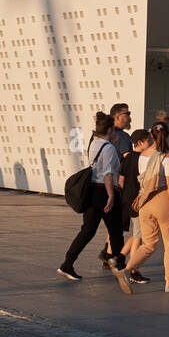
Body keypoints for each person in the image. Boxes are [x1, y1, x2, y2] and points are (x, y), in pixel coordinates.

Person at [59, 112, 126, 283]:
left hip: (92, 191)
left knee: (87, 231)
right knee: (116, 231)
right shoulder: (109, 147)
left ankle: (68, 263)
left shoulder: (94, 143)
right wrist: (111, 196)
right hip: (104, 191)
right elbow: (109, 174)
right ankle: (119, 265)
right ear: (111, 129)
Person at [122, 123, 169, 293]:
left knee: (148, 244)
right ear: (167, 136)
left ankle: (127, 269)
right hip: (162, 200)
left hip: (144, 203)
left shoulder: (142, 155)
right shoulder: (167, 156)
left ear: (150, 136)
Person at [98, 103, 134, 271]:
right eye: (127, 114)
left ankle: (107, 252)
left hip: (105, 184)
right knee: (119, 225)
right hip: (121, 186)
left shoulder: (104, 136)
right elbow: (128, 161)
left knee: (113, 223)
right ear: (118, 117)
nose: (129, 117)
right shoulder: (124, 138)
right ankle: (113, 257)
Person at [118, 129, 154, 278]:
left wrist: (126, 193)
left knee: (137, 233)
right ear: (140, 143)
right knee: (140, 236)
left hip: (126, 199)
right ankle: (133, 270)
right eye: (148, 141)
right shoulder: (142, 159)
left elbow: (121, 179)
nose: (150, 143)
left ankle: (119, 257)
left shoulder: (127, 157)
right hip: (137, 201)